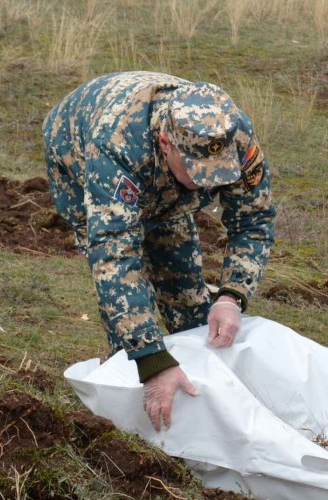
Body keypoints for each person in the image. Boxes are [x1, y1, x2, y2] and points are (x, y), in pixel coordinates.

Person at [43, 71, 276, 432]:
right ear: (167, 142)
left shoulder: (233, 134)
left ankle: (203, 404)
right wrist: (151, 359)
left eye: (218, 172)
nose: (207, 183)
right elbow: (115, 255)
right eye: (198, 170)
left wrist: (232, 295)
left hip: (159, 177)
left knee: (189, 300)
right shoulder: (116, 146)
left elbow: (254, 220)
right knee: (130, 320)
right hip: (76, 149)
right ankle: (129, 408)